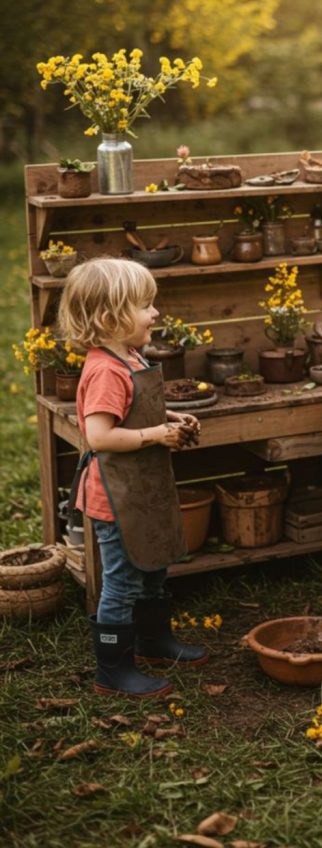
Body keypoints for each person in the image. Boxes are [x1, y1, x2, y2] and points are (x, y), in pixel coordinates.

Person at [58, 258, 207, 698]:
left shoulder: (129, 355)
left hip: (145, 488)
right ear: (110, 318)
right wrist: (157, 433)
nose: (155, 313)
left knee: (152, 565)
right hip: (116, 497)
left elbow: (136, 411)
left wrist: (172, 417)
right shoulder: (104, 369)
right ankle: (113, 669)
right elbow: (100, 435)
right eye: (145, 305)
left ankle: (153, 640)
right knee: (122, 581)